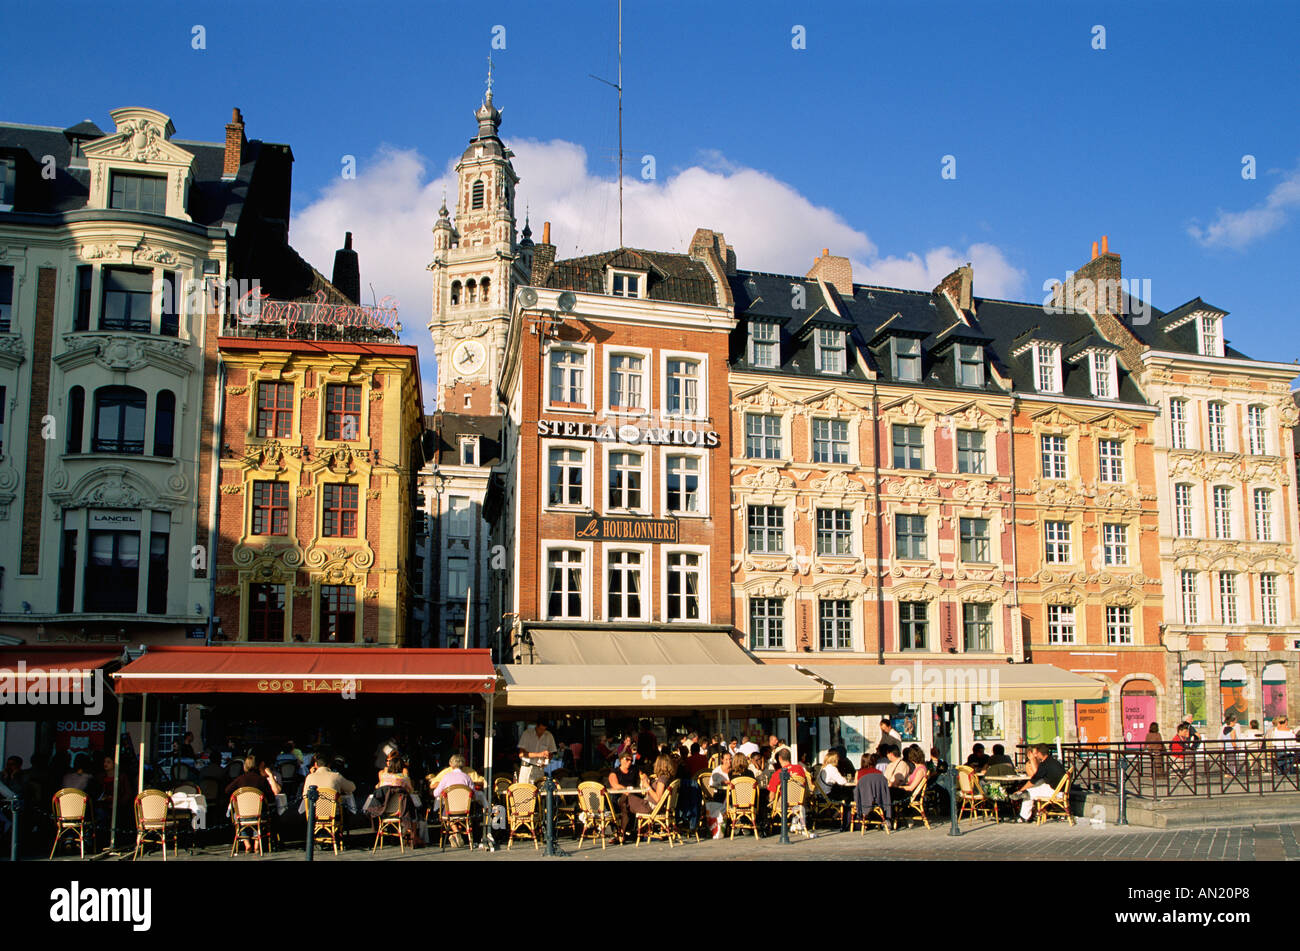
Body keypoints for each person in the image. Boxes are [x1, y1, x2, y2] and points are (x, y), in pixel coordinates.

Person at [224, 755, 283, 852]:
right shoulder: (261, 780)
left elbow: (227, 790)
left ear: (244, 766)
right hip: (258, 816)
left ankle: (247, 843)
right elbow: (271, 797)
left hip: (241, 816)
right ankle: (257, 843)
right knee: (262, 815)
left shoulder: (240, 779)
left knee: (237, 816)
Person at [1012, 744, 1066, 822]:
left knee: (1028, 792)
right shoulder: (1053, 761)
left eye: (1036, 753)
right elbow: (1037, 778)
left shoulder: (1044, 765)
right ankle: (1028, 814)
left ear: (1040, 753)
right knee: (1032, 788)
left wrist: (1020, 790)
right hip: (1061, 790)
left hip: (1056, 792)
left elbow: (1033, 779)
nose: (1035, 755)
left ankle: (1024, 817)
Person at [853, 753, 892, 829]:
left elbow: (856, 785)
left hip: (864, 800)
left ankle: (861, 820)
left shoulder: (859, 773)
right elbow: (886, 783)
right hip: (878, 799)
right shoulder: (879, 773)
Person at [817, 751, 853, 831]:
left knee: (843, 795)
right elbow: (842, 781)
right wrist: (845, 778)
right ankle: (845, 823)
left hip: (820, 795)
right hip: (826, 796)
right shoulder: (832, 769)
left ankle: (836, 815)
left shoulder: (823, 768)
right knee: (848, 797)